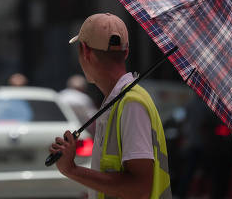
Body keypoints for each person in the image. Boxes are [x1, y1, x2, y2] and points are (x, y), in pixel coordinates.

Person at [49, 13, 171, 199]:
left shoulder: (131, 105)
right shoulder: (117, 102)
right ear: (126, 52)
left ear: (85, 51)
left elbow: (139, 189)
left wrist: (72, 170)